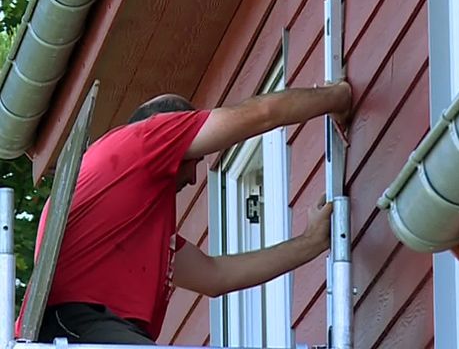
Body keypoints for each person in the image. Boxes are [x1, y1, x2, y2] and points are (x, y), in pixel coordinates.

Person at [16, 81, 353, 344]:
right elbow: (262, 114)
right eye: (193, 160)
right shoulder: (145, 139)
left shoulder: (126, 221)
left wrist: (310, 243)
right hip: (73, 327)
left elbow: (215, 276)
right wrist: (335, 98)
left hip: (90, 329)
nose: (193, 177)